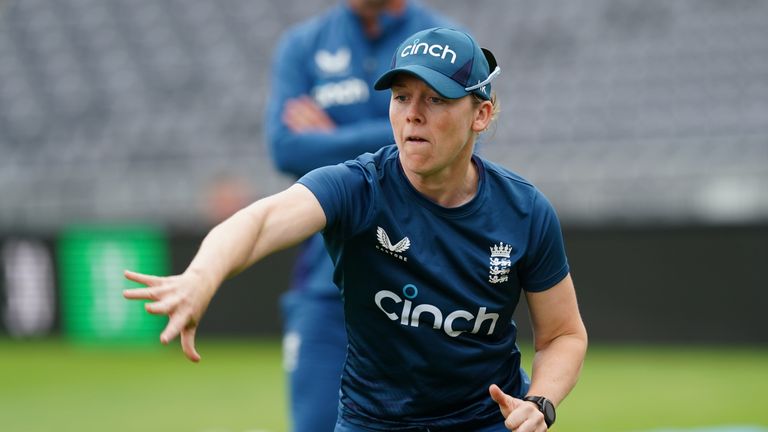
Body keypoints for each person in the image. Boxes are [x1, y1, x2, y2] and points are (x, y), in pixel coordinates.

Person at [124, 27, 588, 431]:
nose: (413, 114)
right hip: (375, 422)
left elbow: (562, 335)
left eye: (436, 99)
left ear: (480, 115)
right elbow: (261, 219)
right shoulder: (356, 186)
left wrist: (539, 403)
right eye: (402, 97)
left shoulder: (524, 210)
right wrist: (204, 275)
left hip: (487, 420)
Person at [264, 1, 459, 430]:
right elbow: (284, 147)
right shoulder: (303, 45)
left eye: (414, 101)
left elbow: (457, 141)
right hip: (326, 286)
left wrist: (329, 139)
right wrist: (402, 138)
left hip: (422, 289)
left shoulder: (442, 42)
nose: (408, 116)